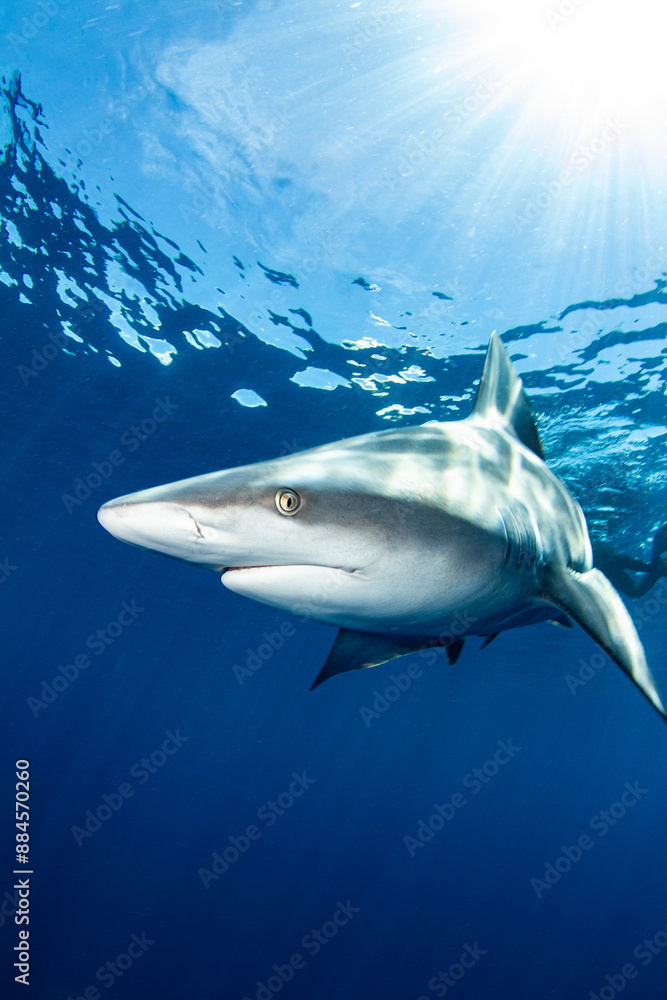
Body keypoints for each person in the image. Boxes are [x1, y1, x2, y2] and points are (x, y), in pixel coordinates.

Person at [592, 524, 667, 599]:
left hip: (598, 554)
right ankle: (657, 567)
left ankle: (656, 568)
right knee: (636, 592)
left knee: (611, 560)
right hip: (599, 560)